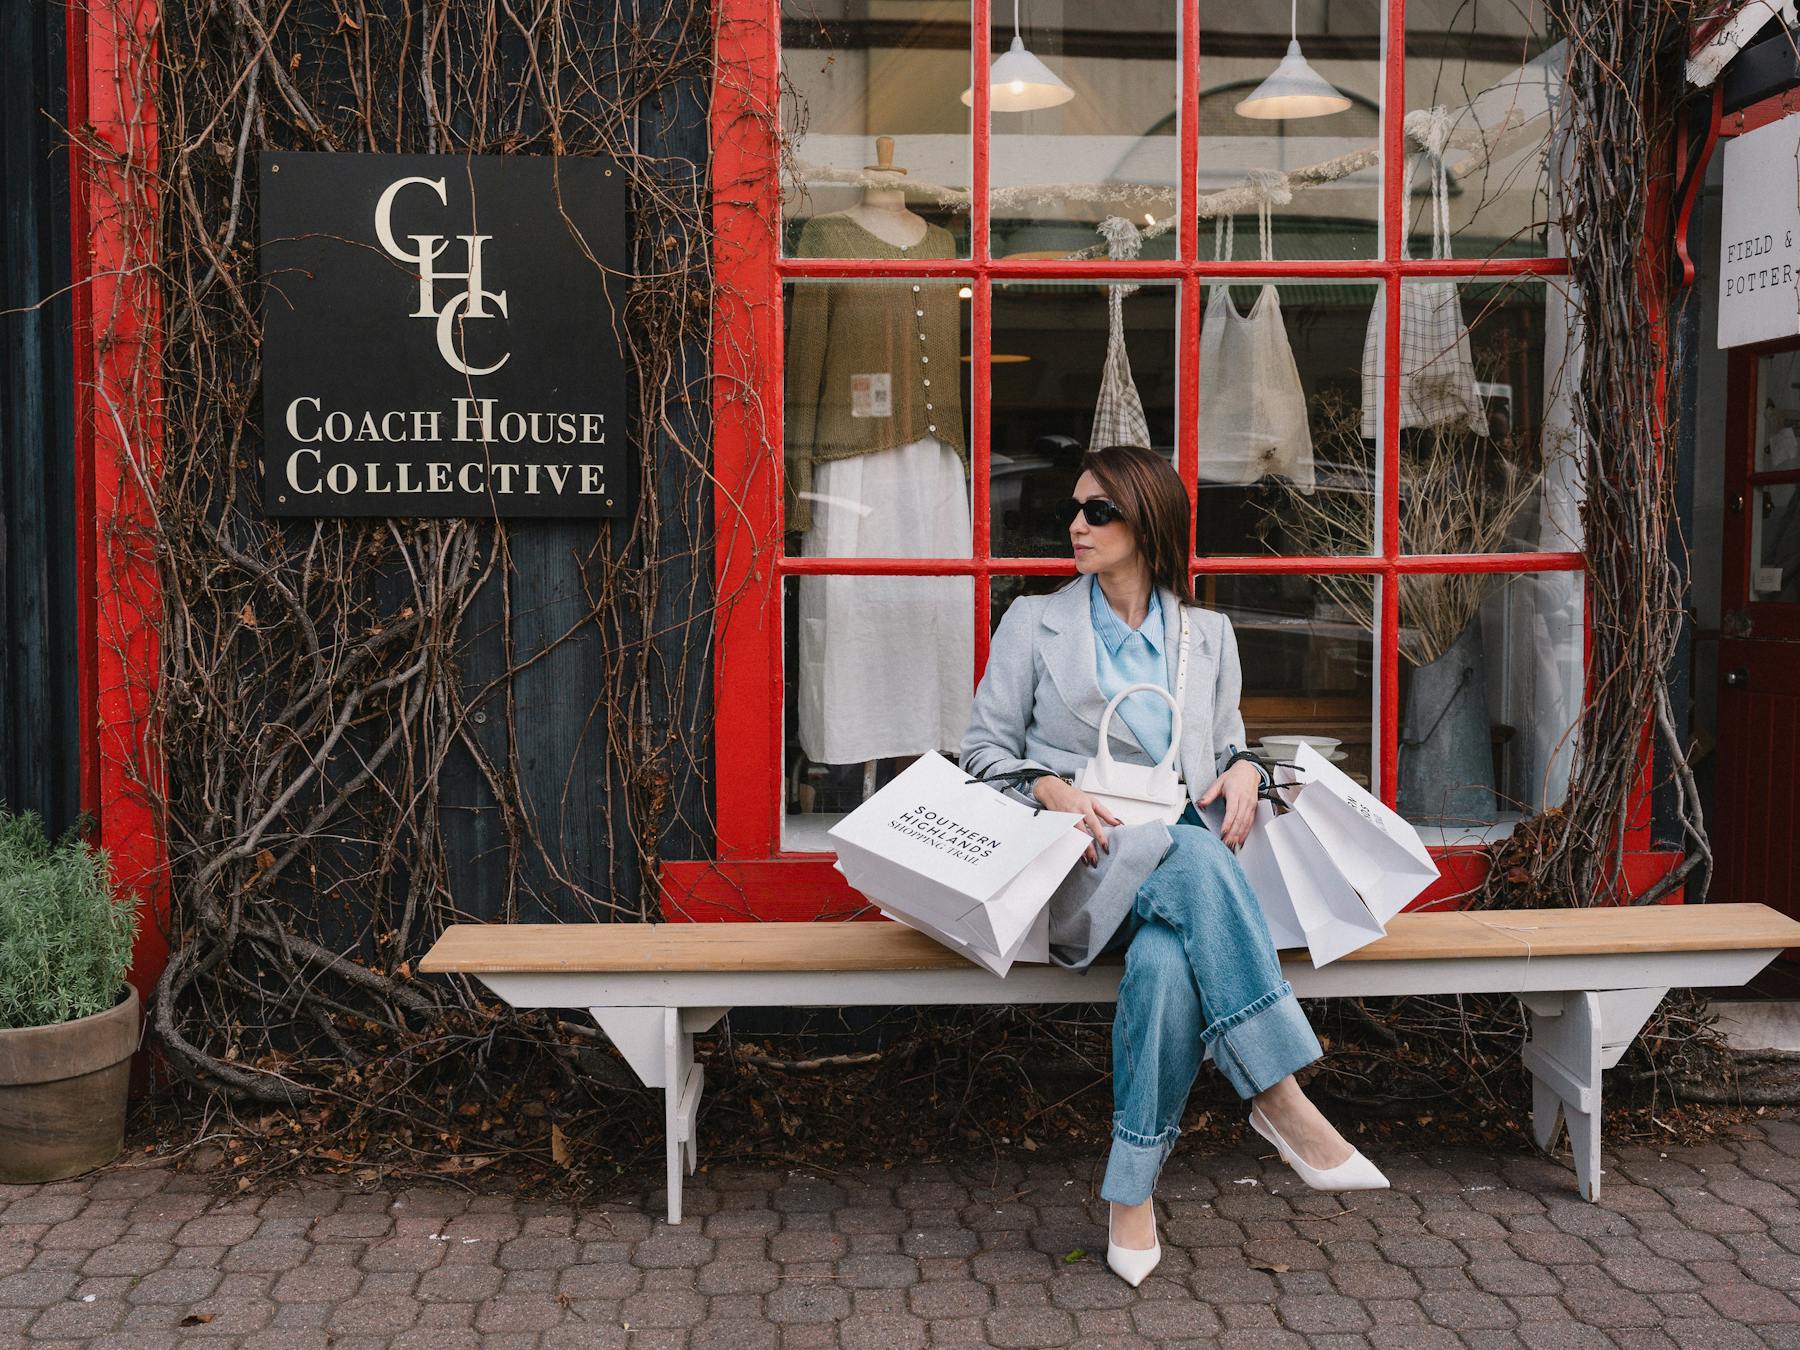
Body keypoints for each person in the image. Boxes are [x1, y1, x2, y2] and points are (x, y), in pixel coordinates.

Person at [961, 445, 1387, 1288]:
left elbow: (1223, 747)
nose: (1076, 526)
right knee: (1185, 850)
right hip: (1082, 874)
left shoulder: (1209, 635)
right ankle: (1278, 1094)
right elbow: (980, 753)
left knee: (1164, 961)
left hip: (1183, 892)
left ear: (1147, 523)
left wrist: (1245, 768)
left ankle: (1130, 1192)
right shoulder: (1033, 624)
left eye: (1098, 512)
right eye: (1073, 511)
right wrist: (1047, 785)